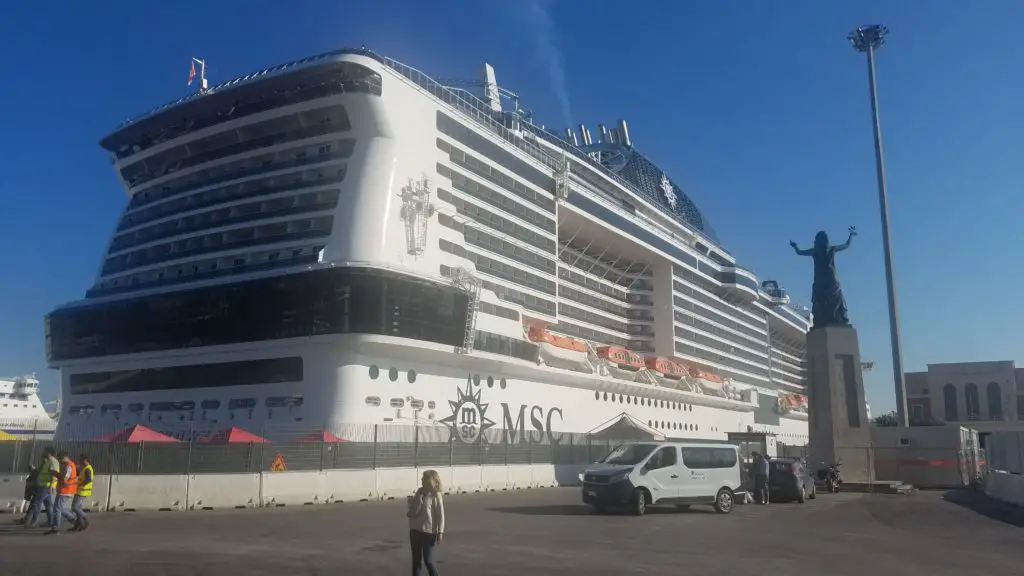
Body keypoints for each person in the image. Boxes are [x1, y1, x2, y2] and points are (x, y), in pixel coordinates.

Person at [407, 469, 445, 576]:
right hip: (414, 530)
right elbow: (413, 509)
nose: (421, 479)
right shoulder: (419, 491)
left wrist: (440, 532)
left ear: (431, 480)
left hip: (428, 532)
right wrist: (411, 503)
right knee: (416, 561)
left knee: (428, 561)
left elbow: (440, 515)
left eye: (424, 478)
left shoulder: (436, 495)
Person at [24, 448, 59, 530]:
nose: (43, 452)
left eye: (44, 451)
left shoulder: (53, 462)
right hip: (44, 486)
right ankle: (50, 521)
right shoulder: (48, 461)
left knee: (36, 503)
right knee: (48, 505)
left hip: (46, 486)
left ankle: (34, 520)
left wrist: (51, 486)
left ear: (49, 453)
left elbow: (54, 474)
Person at [47, 451, 79, 535]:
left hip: (65, 490)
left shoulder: (68, 466)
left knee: (57, 509)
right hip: (66, 490)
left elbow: (65, 479)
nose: (59, 461)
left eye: (60, 459)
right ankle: (74, 520)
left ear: (64, 457)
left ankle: (55, 528)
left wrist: (56, 474)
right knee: (60, 508)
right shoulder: (69, 464)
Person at [72, 454, 93, 532]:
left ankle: (86, 519)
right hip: (80, 490)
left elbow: (88, 480)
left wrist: (79, 485)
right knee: (78, 509)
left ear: (85, 460)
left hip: (82, 491)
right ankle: (78, 525)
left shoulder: (87, 469)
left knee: (75, 508)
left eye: (80, 460)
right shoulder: (83, 468)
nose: (79, 461)